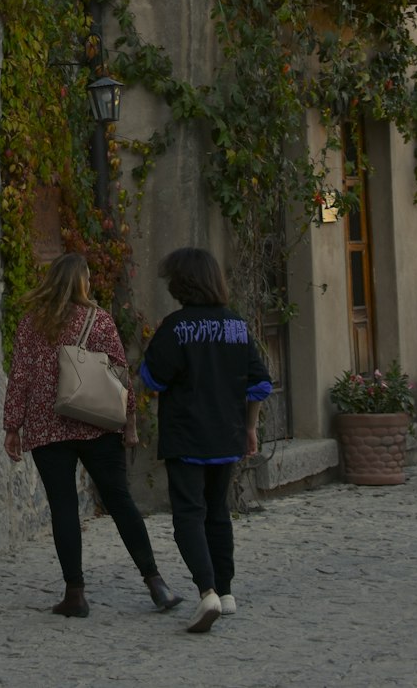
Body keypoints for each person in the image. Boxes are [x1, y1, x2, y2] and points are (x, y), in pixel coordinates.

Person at [3, 251, 182, 619]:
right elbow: (119, 373)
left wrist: (12, 427)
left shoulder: (31, 322)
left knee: (64, 508)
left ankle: (75, 594)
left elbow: (19, 377)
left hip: (45, 426)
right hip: (96, 423)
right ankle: (156, 582)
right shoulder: (98, 319)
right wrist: (129, 423)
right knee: (120, 501)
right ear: (83, 282)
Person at [140, 246, 272, 635]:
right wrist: (249, 429)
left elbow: (152, 379)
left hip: (186, 436)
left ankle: (207, 590)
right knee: (218, 512)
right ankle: (227, 591)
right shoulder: (237, 326)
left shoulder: (175, 327)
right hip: (227, 436)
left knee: (188, 516)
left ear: (182, 284)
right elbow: (260, 384)